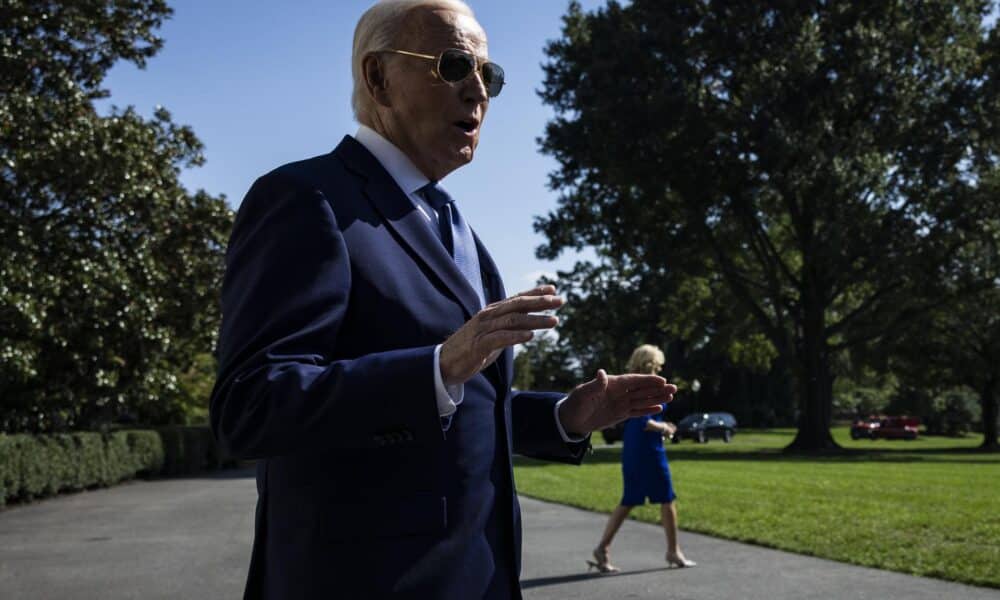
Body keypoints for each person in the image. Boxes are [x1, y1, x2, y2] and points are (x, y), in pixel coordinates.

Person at [209, 1, 676, 598]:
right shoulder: (306, 201)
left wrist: (564, 417)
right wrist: (438, 365)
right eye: (455, 65)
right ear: (378, 77)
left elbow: (464, 409)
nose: (478, 92)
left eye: (490, 75)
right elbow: (248, 409)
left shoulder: (461, 233)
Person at [588, 344, 696, 574]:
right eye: (657, 363)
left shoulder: (634, 383)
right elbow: (643, 421)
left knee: (630, 500)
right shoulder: (646, 384)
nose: (659, 367)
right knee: (666, 498)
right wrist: (665, 427)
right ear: (651, 362)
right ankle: (673, 551)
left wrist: (662, 426)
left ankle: (602, 548)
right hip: (647, 448)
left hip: (637, 446)